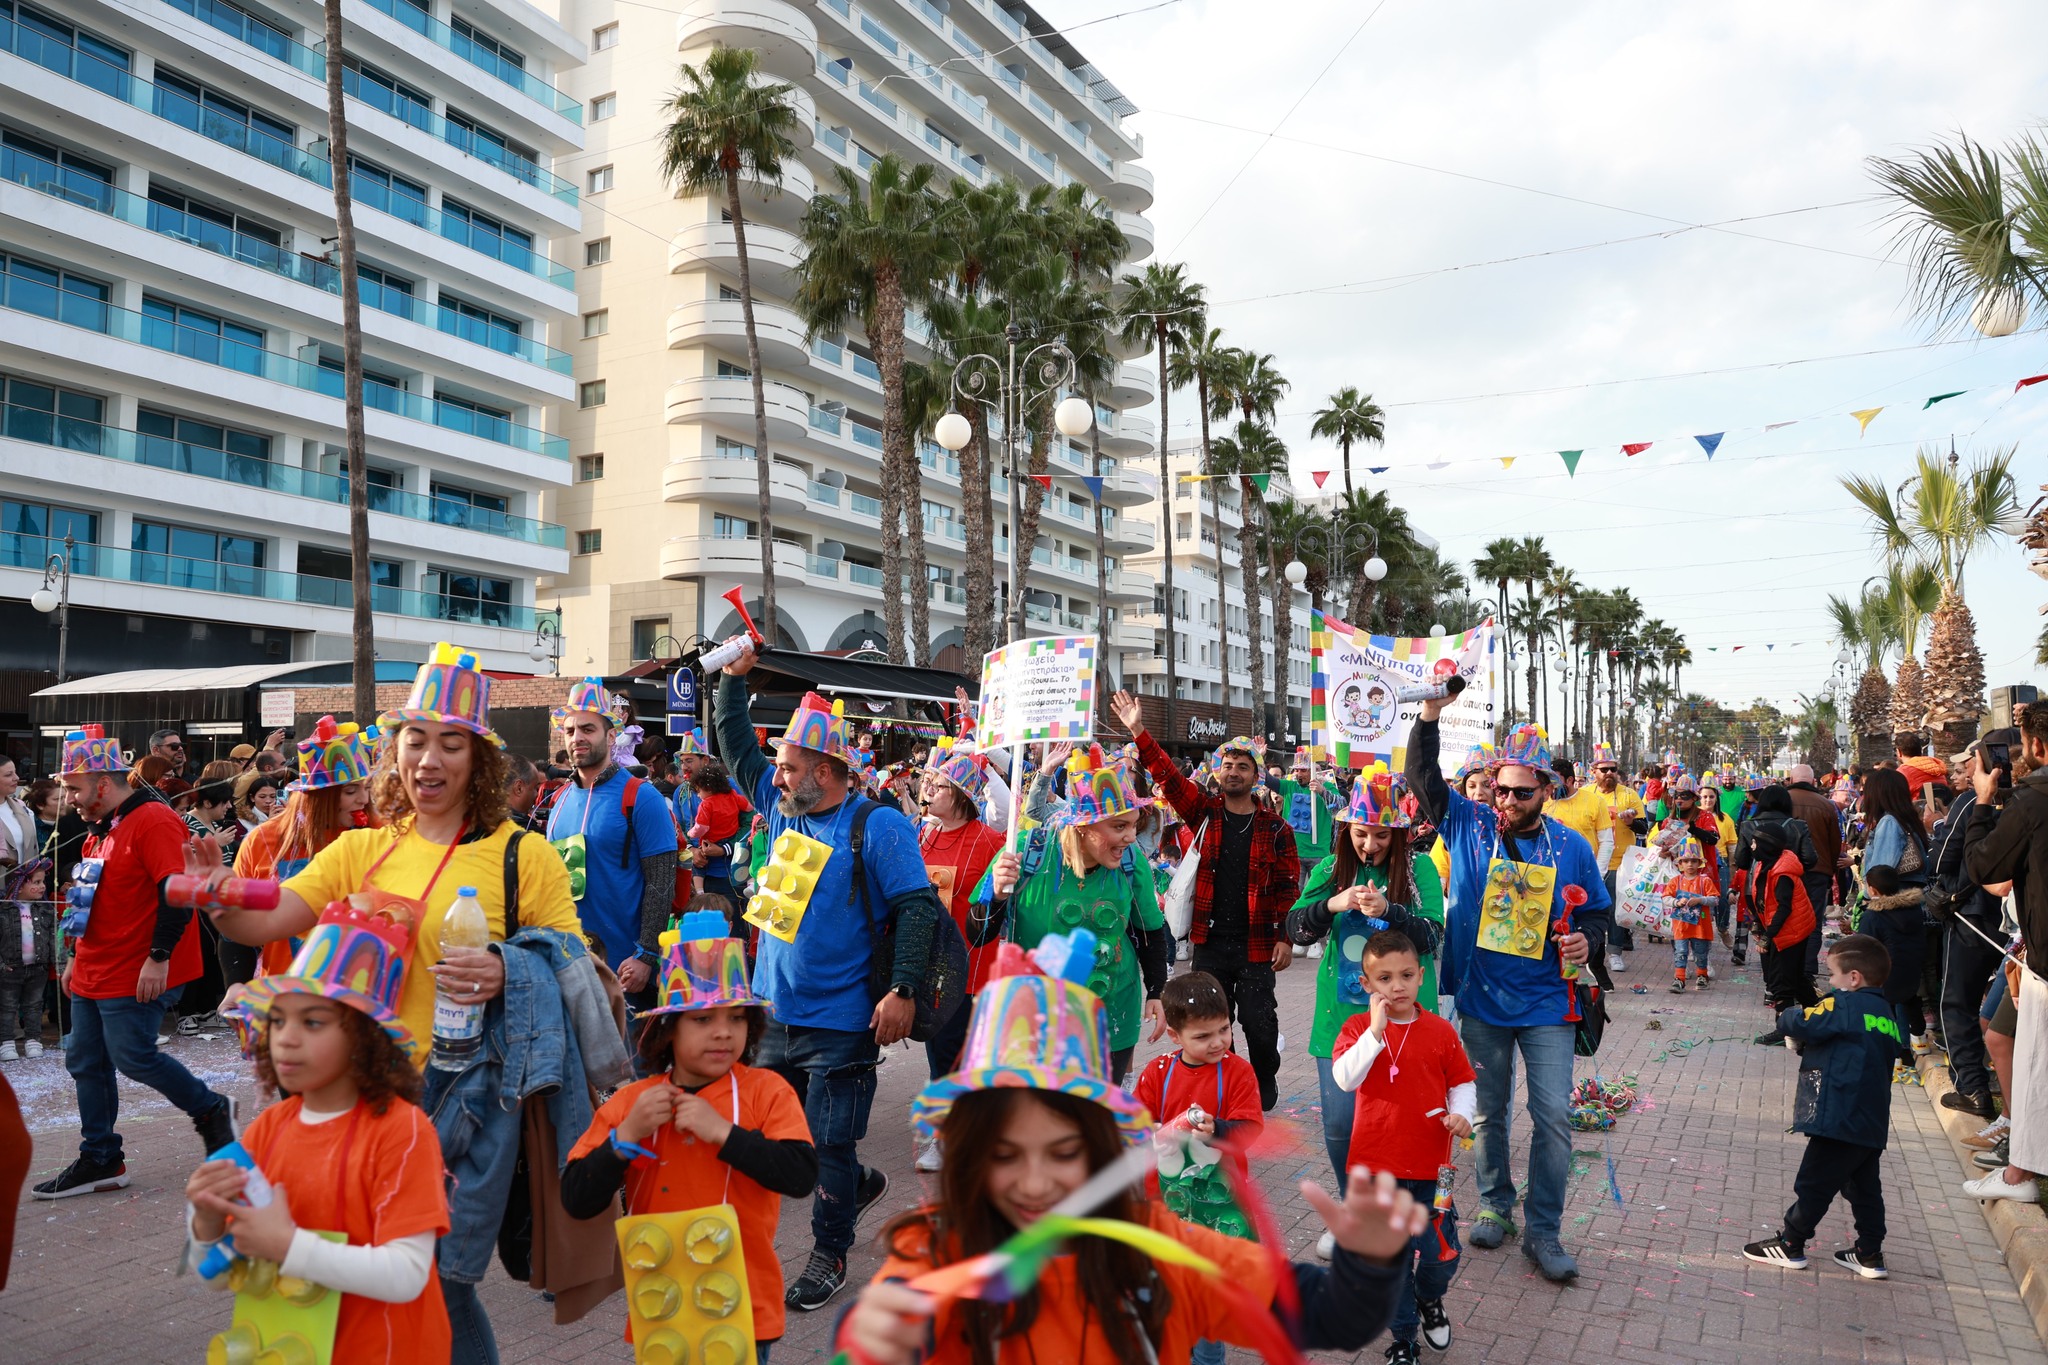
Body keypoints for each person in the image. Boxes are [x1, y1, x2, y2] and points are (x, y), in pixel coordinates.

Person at [204, 646, 603, 1363]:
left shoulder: (523, 855)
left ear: (478, 760)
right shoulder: (361, 848)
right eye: (416, 739)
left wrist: (508, 966)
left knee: (442, 1282)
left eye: (451, 742)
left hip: (467, 1103)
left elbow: (579, 968)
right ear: (397, 751)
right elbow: (268, 917)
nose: (429, 758)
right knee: (377, 1273)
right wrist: (216, 897)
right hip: (360, 1099)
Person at [848, 952, 1424, 1365]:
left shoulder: (1157, 1249)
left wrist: (1369, 1263)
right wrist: (867, 1338)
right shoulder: (933, 1255)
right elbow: (871, 1341)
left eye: (1065, 1150)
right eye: (1003, 1153)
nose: (1036, 1180)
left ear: (1098, 1146)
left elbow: (1324, 1316)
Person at [712, 640, 945, 1313]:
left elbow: (916, 908)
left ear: (826, 769)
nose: (775, 776)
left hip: (843, 1020)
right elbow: (736, 749)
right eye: (779, 766)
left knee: (831, 1141)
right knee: (783, 1140)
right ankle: (854, 1181)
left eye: (788, 766)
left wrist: (901, 990)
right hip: (773, 1011)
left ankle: (829, 1250)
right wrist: (733, 682)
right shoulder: (782, 806)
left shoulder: (878, 824)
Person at [187, 895, 451, 1358]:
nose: (286, 1037)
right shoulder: (269, 1129)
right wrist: (207, 1222)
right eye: (279, 1020)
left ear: (365, 1037)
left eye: (313, 1021)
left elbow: (408, 1273)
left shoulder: (401, 1131)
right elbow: (225, 1271)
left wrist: (287, 1245)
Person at [1403, 707, 1608, 1283]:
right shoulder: (1468, 824)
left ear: (1548, 789)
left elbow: (1597, 912)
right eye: (1500, 789)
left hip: (1549, 1003)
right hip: (1482, 1000)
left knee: (1554, 1119)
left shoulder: (1571, 846)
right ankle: (1495, 1203)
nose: (1508, 801)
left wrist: (1585, 941)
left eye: (1521, 792)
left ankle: (1544, 1230)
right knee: (1488, 1114)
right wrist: (1428, 717)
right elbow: (1422, 778)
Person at [562, 912, 816, 1363]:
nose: (722, 1031)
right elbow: (577, 1197)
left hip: (744, 1306)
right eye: (701, 1019)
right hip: (662, 1305)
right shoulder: (635, 1104)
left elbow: (799, 1176)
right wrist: (625, 1137)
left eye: (736, 1018)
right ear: (668, 1030)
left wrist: (723, 1133)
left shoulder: (766, 1091)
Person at [32, 727, 237, 1198]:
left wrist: (158, 957)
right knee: (85, 1059)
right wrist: (74, 957)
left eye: (74, 788)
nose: (69, 799)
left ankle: (210, 1110)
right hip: (95, 965)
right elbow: (91, 900)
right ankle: (101, 1157)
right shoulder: (98, 831)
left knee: (132, 1055)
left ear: (103, 783)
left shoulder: (153, 821)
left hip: (139, 966)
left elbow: (177, 894)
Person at [1113, 691, 1301, 1111]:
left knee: (1259, 1022)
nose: (1234, 772)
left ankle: (1264, 1073)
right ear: (1217, 774)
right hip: (1210, 941)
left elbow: (1290, 888)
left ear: (1256, 776)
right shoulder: (1205, 812)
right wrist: (1138, 730)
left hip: (1256, 946)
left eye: (1243, 766)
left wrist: (1285, 938)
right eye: (1227, 766)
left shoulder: (1276, 828)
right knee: (1214, 1020)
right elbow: (1167, 778)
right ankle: (1230, 1086)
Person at [1286, 764, 1444, 1212]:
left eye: (1380, 835)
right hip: (1341, 1022)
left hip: (1407, 1022)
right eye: (1361, 833)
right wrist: (1331, 904)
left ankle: (1396, 1214)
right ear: (1346, 829)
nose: (1370, 845)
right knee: (1339, 1126)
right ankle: (1354, 1212)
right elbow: (1295, 929)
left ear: (1398, 832)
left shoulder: (1420, 870)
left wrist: (1392, 910)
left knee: (1402, 1125)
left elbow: (1433, 936)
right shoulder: (1332, 869)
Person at [983, 744, 1170, 1082]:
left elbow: (1150, 931)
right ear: (1084, 825)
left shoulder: (1131, 862)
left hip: (1112, 1018)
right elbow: (976, 932)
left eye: (1133, 824)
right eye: (1118, 827)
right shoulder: (1028, 850)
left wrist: (1156, 990)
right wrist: (996, 896)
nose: (1131, 837)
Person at [1332, 929, 1475, 1364]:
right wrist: (1375, 1032)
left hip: (1434, 1167)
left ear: (1420, 977)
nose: (1397, 986)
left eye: (1407, 975)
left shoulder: (1439, 1030)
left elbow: (1462, 1080)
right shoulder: (1357, 1028)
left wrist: (1463, 1114)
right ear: (1367, 985)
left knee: (1440, 1254)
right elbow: (1345, 1078)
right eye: (1385, 978)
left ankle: (1429, 1298)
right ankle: (1404, 1337)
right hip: (1376, 1168)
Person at [1742, 934, 1908, 1280]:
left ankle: (1791, 1242)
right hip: (1870, 1119)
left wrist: (1787, 1013)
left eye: (1831, 975)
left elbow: (1802, 1021)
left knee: (1814, 1181)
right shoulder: (1887, 1015)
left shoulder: (1843, 1005)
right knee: (1864, 1188)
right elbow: (1861, 1048)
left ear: (1853, 978)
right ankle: (1869, 1251)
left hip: (1837, 1114)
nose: (1829, 982)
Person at [1130, 971, 1263, 1365]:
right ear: (1175, 1036)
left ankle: (1208, 1356)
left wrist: (1217, 1130)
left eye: (1223, 1030)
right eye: (1203, 1037)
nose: (1218, 1042)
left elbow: (1251, 1129)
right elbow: (1135, 1124)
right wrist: (1148, 1131)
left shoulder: (1238, 1072)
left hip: (1218, 1204)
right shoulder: (1158, 1073)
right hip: (1164, 1203)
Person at [546, 678, 679, 1012]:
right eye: (570, 730)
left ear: (610, 735)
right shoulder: (558, 799)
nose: (577, 738)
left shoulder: (641, 796)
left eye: (588, 729)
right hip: (566, 966)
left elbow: (661, 881)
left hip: (624, 971)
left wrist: (646, 954)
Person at [1964, 705, 2048, 1201]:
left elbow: (1983, 865)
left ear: (2035, 745)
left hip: (2042, 961)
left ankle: (2021, 1174)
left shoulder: (2035, 800)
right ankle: (2018, 1168)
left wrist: (1981, 803)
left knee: (2036, 1064)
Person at [1933, 733, 2015, 1119]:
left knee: (1957, 1002)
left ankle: (1972, 1086)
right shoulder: (2027, 800)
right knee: (1996, 1014)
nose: (1963, 768)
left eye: (1970, 760)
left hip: (1972, 919)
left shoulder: (1971, 803)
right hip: (2013, 923)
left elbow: (1943, 859)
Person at [916, 748, 1005, 1084]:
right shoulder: (922, 834)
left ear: (961, 796)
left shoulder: (990, 840)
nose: (928, 789)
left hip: (974, 968)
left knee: (967, 1060)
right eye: (928, 782)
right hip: (930, 965)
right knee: (939, 1056)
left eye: (939, 785)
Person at [1857, 769, 1931, 1046]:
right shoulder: (1906, 820)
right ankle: (1910, 1043)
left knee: (1885, 979)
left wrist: (1869, 893)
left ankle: (1894, 1047)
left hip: (1888, 905)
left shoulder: (1889, 823)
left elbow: (1881, 870)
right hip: (1909, 905)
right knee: (1904, 980)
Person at [1740, 820, 1821, 1044]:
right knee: (1794, 978)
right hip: (1782, 929)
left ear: (1766, 845)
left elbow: (1784, 909)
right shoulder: (1766, 864)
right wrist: (1758, 921)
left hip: (1791, 931)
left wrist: (1768, 936)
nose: (1752, 847)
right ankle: (1817, 1018)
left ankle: (1784, 1031)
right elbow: (1763, 900)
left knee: (1781, 981)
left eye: (1755, 843)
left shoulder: (1783, 872)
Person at [1588, 744, 1648, 973]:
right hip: (1590, 862)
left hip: (1620, 863)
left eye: (1612, 769)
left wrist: (1631, 822)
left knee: (1615, 910)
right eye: (1604, 770)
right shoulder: (1585, 795)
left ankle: (1614, 952)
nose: (1609, 774)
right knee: (1590, 908)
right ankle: (1590, 950)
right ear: (1594, 771)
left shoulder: (1629, 795)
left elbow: (1644, 827)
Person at [0, 858, 53, 1060]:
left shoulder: (45, 909)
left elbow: (53, 937)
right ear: (19, 885)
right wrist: (1, 965)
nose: (42, 887)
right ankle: (6, 1042)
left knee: (34, 1005)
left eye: (43, 882)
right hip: (10, 968)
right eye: (36, 882)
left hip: (38, 967)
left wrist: (59, 962)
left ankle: (33, 1040)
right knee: (7, 1007)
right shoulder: (3, 911)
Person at [680, 759, 750, 906]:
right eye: (681, 761)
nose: (684, 767)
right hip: (700, 873)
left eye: (689, 761)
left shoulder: (730, 787)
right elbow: (676, 830)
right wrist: (691, 850)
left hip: (732, 874)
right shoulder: (679, 793)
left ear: (704, 759)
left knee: (733, 925)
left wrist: (725, 849)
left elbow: (750, 822)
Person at [1660, 837, 1719, 992]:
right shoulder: (1675, 881)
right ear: (1680, 864)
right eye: (1686, 861)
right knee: (1680, 952)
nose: (1690, 864)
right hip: (1681, 926)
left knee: (1701, 952)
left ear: (1699, 863)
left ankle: (1702, 976)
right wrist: (1676, 903)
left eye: (1693, 861)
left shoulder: (1704, 881)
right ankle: (1679, 979)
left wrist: (1700, 899)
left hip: (1700, 926)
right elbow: (1665, 897)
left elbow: (1715, 899)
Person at [0, 758, 35, 870]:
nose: (16, 778)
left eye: (15, 772)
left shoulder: (21, 807)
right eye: (8, 775)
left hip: (24, 884)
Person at [1895, 732, 1946, 800]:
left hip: (1918, 809)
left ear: (1899, 752)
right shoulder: (1936, 766)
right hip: (1943, 808)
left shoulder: (1903, 772)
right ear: (1921, 750)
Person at [503, 752, 544, 832]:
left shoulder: (481, 826)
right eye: (535, 788)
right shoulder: (529, 835)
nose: (537, 795)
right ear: (519, 788)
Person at [233, 770, 282, 836]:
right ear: (252, 798)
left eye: (273, 796)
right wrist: (269, 824)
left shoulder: (285, 817)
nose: (268, 801)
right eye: (262, 797)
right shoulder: (242, 822)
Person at [148, 728, 193, 799]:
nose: (180, 748)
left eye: (182, 745)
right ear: (156, 750)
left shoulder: (192, 782)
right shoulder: (142, 778)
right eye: (174, 746)